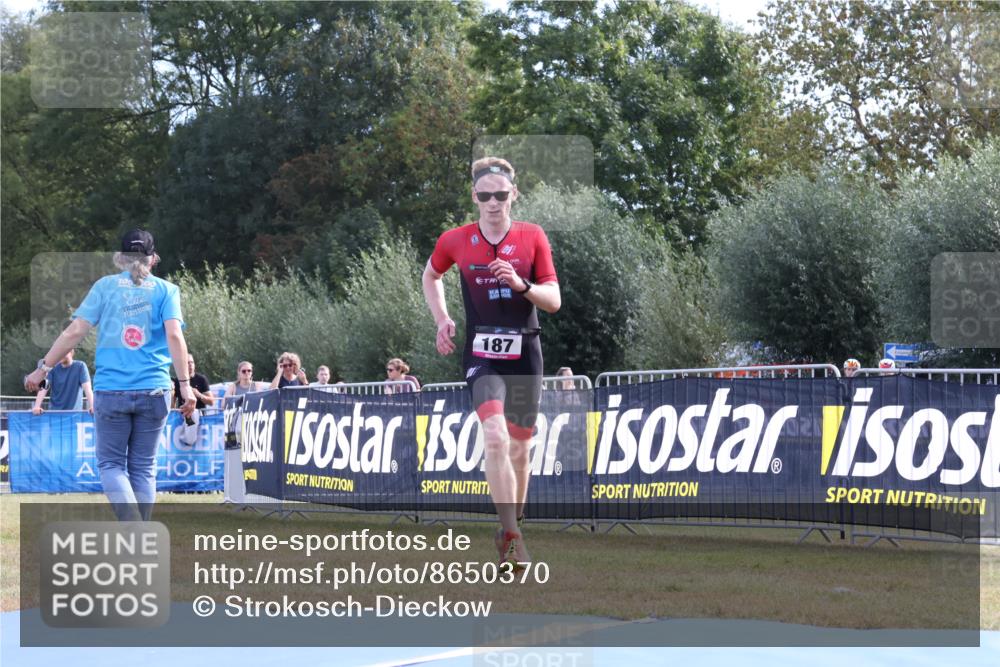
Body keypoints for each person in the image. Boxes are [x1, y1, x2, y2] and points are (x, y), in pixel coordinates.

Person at [422, 156, 560, 570]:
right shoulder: (455, 240)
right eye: (486, 196)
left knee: (520, 448)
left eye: (501, 195)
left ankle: (510, 528)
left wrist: (521, 285)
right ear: (475, 198)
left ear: (513, 195)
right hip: (481, 356)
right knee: (495, 437)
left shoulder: (532, 237)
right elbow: (430, 276)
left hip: (526, 353)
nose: (494, 203)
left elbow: (554, 302)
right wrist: (443, 319)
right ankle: (512, 538)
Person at [23, 229, 195, 521]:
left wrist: (43, 369)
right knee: (143, 467)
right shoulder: (167, 290)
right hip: (155, 389)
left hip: (111, 390)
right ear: (153, 259)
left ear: (121, 259)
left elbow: (75, 331)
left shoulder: (105, 287)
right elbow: (175, 337)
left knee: (112, 466)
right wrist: (186, 386)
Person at [31, 349, 94, 415]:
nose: (60, 355)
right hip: (55, 414)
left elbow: (87, 388)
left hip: (75, 415)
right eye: (59, 353)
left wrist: (92, 406)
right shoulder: (52, 368)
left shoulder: (80, 366)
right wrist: (37, 406)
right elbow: (43, 388)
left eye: (63, 353)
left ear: (71, 353)